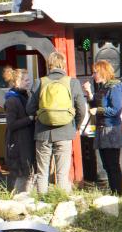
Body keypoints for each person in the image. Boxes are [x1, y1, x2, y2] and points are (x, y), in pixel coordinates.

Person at [27, 51, 88, 195]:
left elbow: (29, 108)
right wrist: (76, 126)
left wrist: (39, 114)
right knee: (62, 173)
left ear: (49, 65)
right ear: (63, 64)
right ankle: (62, 202)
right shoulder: (72, 82)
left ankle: (42, 203)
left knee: (42, 172)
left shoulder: (39, 82)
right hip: (65, 132)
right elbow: (81, 109)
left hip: (43, 133)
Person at [89, 59, 122, 196]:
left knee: (113, 165)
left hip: (111, 130)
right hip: (102, 128)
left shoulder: (114, 87)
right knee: (106, 165)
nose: (93, 75)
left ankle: (117, 194)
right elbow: (98, 103)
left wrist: (98, 110)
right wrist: (89, 94)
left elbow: (116, 110)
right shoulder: (103, 87)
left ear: (103, 72)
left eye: (95, 72)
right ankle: (113, 192)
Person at [2, 67, 34, 195]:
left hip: (26, 140)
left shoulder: (24, 97)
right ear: (17, 82)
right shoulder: (12, 100)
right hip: (19, 142)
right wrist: (30, 118)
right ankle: (17, 197)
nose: (28, 82)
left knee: (28, 172)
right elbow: (11, 124)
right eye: (26, 80)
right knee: (22, 173)